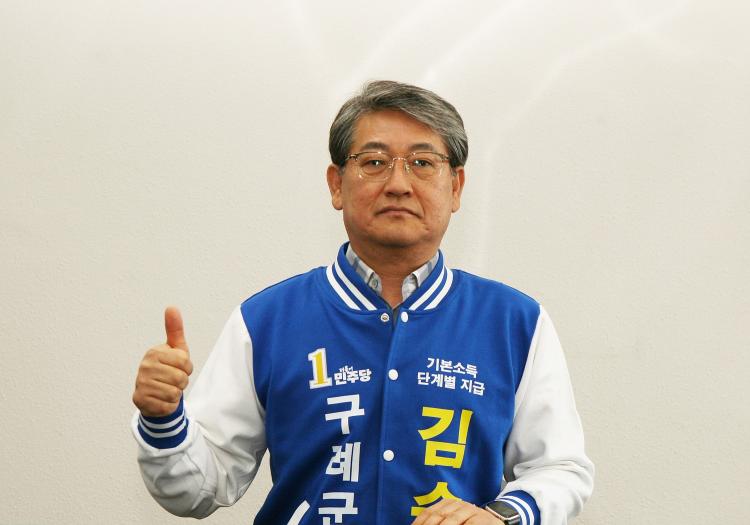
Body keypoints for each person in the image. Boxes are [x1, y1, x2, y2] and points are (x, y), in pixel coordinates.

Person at [131, 80, 594, 525]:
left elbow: (560, 468)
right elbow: (199, 489)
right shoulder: (267, 321)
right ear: (336, 184)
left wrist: (501, 516)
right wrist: (162, 418)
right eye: (374, 162)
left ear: (455, 187)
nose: (398, 184)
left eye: (423, 163)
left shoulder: (514, 322)